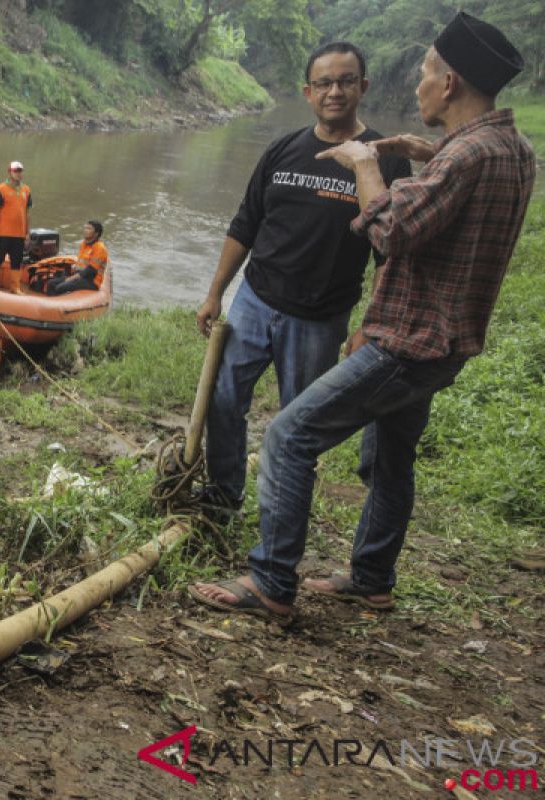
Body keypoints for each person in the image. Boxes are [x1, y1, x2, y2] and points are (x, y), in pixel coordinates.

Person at [190, 11, 535, 624]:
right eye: (323, 83)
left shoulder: (461, 157)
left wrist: (365, 165)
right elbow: (444, 203)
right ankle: (372, 578)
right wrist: (417, 152)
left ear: (450, 82)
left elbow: (393, 230)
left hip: (404, 340)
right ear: (307, 91)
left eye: (427, 72)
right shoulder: (508, 148)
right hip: (442, 341)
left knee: (289, 435)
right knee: (388, 458)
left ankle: (271, 581)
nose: (421, 83)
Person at [195, 42, 412, 518]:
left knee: (298, 424)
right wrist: (215, 293)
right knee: (224, 401)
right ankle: (223, 497)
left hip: (320, 318)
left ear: (363, 87)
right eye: (324, 83)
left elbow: (389, 255)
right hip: (254, 299)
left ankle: (283, 518)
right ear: (307, 92)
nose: (335, 92)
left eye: (346, 81)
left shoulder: (384, 162)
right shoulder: (283, 149)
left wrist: (369, 325)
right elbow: (245, 224)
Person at [0, 160, 32, 294]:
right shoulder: (0, 189)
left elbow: (27, 213)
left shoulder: (26, 190)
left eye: (20, 171)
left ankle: (15, 287)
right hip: (3, 233)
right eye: (16, 171)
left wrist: (27, 234)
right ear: (10, 172)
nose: (19, 173)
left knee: (17, 261)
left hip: (19, 234)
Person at [46, 220, 108, 295]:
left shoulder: (99, 248)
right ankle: (53, 303)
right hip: (80, 276)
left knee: (60, 287)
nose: (85, 230)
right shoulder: (84, 245)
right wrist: (69, 274)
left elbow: (91, 271)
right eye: (85, 228)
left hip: (92, 281)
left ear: (96, 234)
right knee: (51, 283)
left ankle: (60, 304)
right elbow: (80, 264)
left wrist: (71, 278)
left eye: (89, 229)